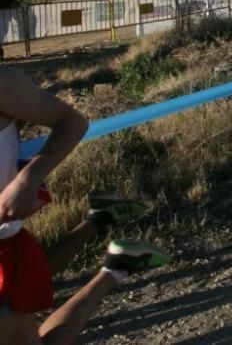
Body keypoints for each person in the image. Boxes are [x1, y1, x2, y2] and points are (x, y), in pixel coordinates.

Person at [0, 66, 169, 345]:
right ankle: (113, 250)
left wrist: (27, 179)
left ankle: (116, 264)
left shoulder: (4, 83)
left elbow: (72, 122)